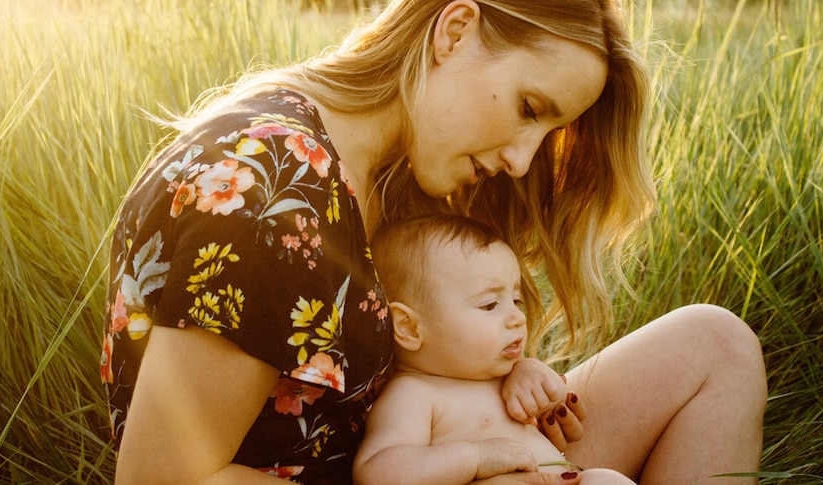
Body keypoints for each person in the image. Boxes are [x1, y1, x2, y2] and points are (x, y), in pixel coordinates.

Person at [101, 0, 767, 483]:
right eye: (529, 109)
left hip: (432, 450)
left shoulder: (382, 166)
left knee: (715, 345)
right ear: (455, 29)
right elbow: (160, 478)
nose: (523, 160)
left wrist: (514, 379)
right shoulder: (273, 195)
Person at [354, 213, 635, 485]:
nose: (518, 318)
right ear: (410, 328)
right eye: (490, 305)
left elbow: (553, 408)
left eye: (516, 300)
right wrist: (475, 458)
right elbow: (377, 473)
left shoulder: (507, 375)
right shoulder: (414, 395)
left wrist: (540, 383)